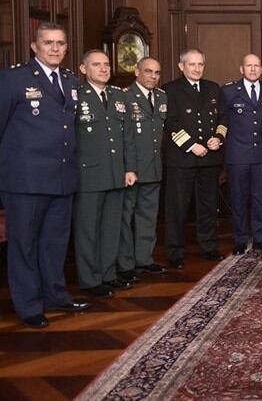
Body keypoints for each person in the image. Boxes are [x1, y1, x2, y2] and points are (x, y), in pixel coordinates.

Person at [0, 22, 91, 328]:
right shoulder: (14, 79)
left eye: (60, 43)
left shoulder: (70, 80)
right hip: (24, 180)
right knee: (24, 244)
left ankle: (56, 295)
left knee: (54, 242)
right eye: (48, 43)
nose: (55, 48)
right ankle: (28, 306)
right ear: (34, 46)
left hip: (61, 176)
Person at [73, 50, 137, 299]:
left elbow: (128, 136)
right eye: (96, 65)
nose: (103, 69)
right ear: (83, 68)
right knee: (88, 229)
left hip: (117, 173)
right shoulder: (77, 96)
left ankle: (108, 274)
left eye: (107, 65)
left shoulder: (118, 96)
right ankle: (90, 280)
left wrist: (130, 167)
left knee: (112, 228)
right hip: (88, 174)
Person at [162, 49, 228, 269]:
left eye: (200, 64)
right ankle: (175, 252)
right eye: (192, 64)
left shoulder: (213, 88)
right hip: (182, 160)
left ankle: (209, 246)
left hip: (209, 159)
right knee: (178, 207)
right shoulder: (170, 90)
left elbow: (222, 118)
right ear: (182, 66)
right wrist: (191, 145)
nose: (197, 68)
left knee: (208, 206)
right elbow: (170, 123)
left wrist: (218, 138)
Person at [220, 54, 262, 255]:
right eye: (249, 66)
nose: (253, 69)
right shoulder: (228, 91)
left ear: (261, 69)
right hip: (238, 154)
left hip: (261, 153)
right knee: (238, 198)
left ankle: (260, 238)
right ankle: (240, 239)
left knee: (260, 197)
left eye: (257, 66)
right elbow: (223, 122)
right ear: (241, 69)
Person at [120, 57, 168, 278]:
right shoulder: (124, 96)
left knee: (148, 216)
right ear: (136, 72)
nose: (153, 76)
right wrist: (127, 167)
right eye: (148, 71)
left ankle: (144, 258)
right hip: (132, 169)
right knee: (126, 218)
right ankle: (126, 264)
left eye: (157, 72)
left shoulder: (161, 97)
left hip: (154, 167)